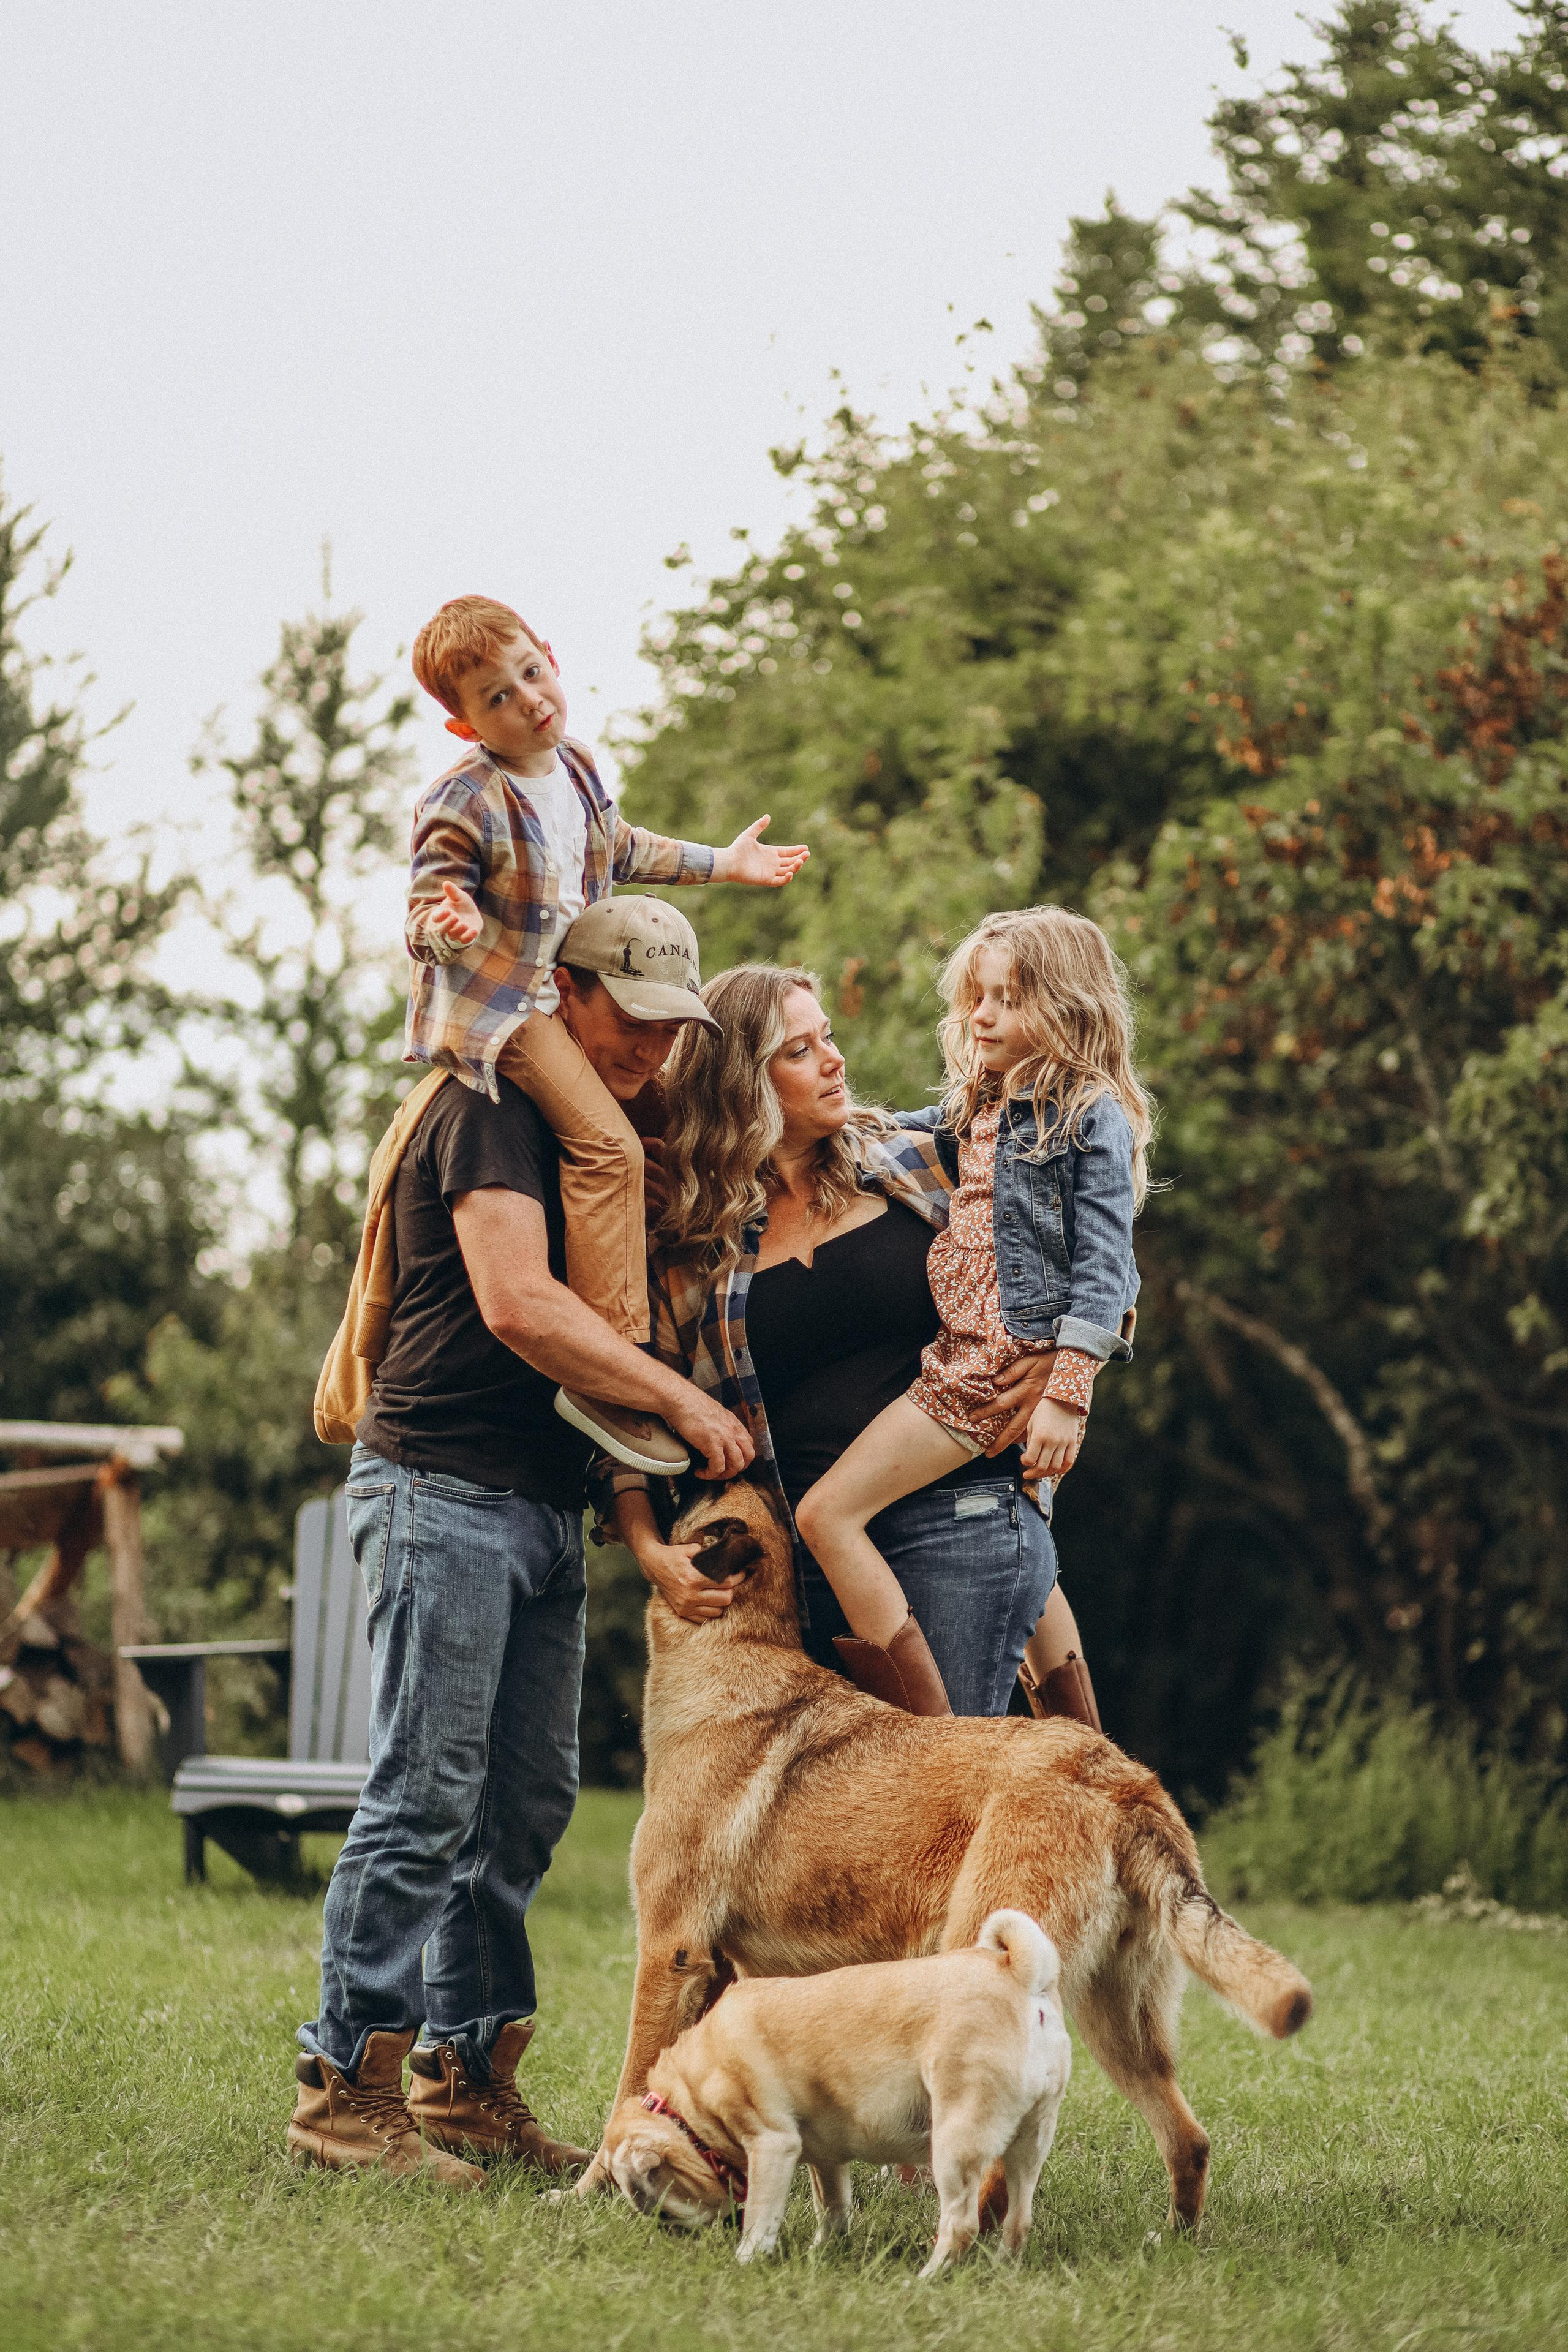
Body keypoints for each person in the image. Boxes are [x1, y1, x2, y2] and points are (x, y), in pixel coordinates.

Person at [289, 897, 753, 2190]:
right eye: (635, 1020)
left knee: (525, 1804)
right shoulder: (491, 1103)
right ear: (568, 992)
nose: (653, 1053)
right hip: (440, 1486)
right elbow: (518, 1304)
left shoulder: (593, 1131)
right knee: (425, 1796)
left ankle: (466, 2079)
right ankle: (344, 2089)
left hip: (536, 1504)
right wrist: (676, 1398)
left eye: (675, 1033)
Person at [601, 962, 1102, 1719]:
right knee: (879, 1822)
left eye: (826, 1037)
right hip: (805, 1572)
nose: (835, 1060)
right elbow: (631, 1407)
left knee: (934, 1801)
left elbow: (1086, 1223)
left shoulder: (921, 1158)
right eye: (798, 1051)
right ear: (741, 1082)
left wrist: (1064, 1360)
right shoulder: (689, 1244)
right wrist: (647, 1545)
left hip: (955, 1520)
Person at [404, 593, 809, 1471]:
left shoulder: (579, 771)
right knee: (610, 1149)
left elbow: (626, 849)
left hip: (568, 992)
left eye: (531, 674)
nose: (528, 701)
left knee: (678, 1123)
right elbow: (426, 904)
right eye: (498, 700)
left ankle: (713, 1313)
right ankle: (614, 1372)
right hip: (508, 1010)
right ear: (459, 722)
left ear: (550, 655)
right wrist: (452, 922)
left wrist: (727, 865)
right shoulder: (463, 798)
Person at [794, 908, 1149, 1716]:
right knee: (1029, 1532)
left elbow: (1107, 1261)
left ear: (1066, 1008)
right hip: (965, 1352)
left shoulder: (1086, 1113)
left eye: (1007, 999)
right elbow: (906, 1136)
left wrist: (1067, 1390)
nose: (981, 1015)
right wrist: (830, 1124)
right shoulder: (984, 1102)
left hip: (989, 1366)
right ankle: (1081, 1746)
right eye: (976, 997)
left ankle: (933, 1733)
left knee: (827, 1511)